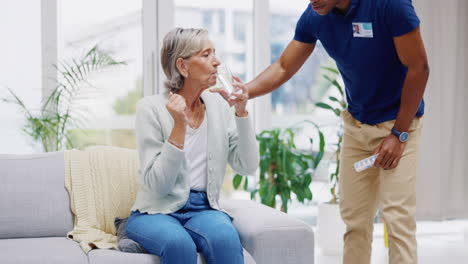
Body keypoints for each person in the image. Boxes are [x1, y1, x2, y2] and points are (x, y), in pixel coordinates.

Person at [246, 0, 429, 263]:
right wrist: (246, 91)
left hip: (400, 123)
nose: (312, 1)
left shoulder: (390, 5)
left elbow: (419, 67)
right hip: (357, 125)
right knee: (355, 220)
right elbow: (284, 66)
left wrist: (399, 134)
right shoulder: (316, 13)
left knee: (397, 220)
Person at [126, 27, 259, 264]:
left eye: (214, 53)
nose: (217, 62)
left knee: (226, 239)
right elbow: (158, 186)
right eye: (206, 55)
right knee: (178, 245)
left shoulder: (219, 106)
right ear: (183, 66)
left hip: (204, 208)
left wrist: (241, 113)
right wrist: (179, 127)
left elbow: (247, 166)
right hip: (156, 210)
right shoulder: (151, 108)